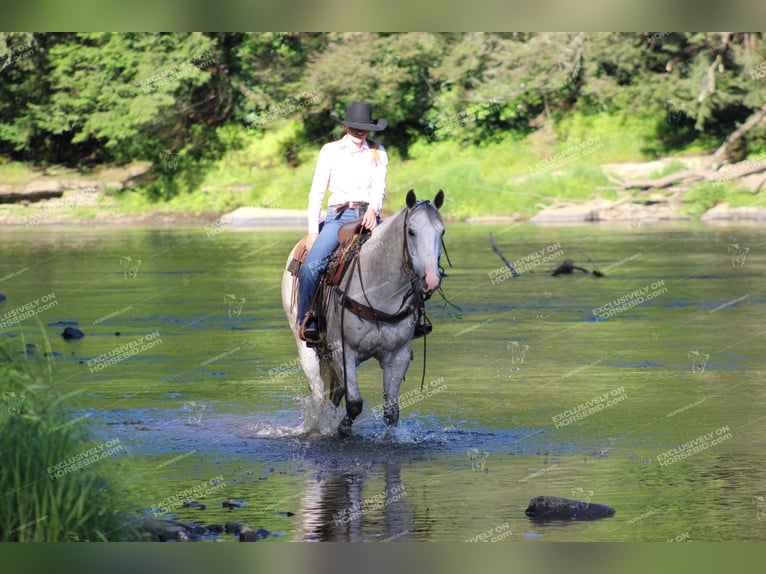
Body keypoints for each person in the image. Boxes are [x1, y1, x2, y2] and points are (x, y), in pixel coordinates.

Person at [298, 101, 389, 342]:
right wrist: (312, 232)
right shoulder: (330, 151)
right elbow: (317, 192)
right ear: (346, 126)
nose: (359, 132)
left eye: (364, 128)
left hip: (368, 216)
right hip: (338, 218)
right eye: (355, 127)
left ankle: (410, 317)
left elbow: (379, 188)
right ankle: (309, 318)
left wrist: (372, 210)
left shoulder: (378, 152)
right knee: (311, 267)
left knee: (402, 258)